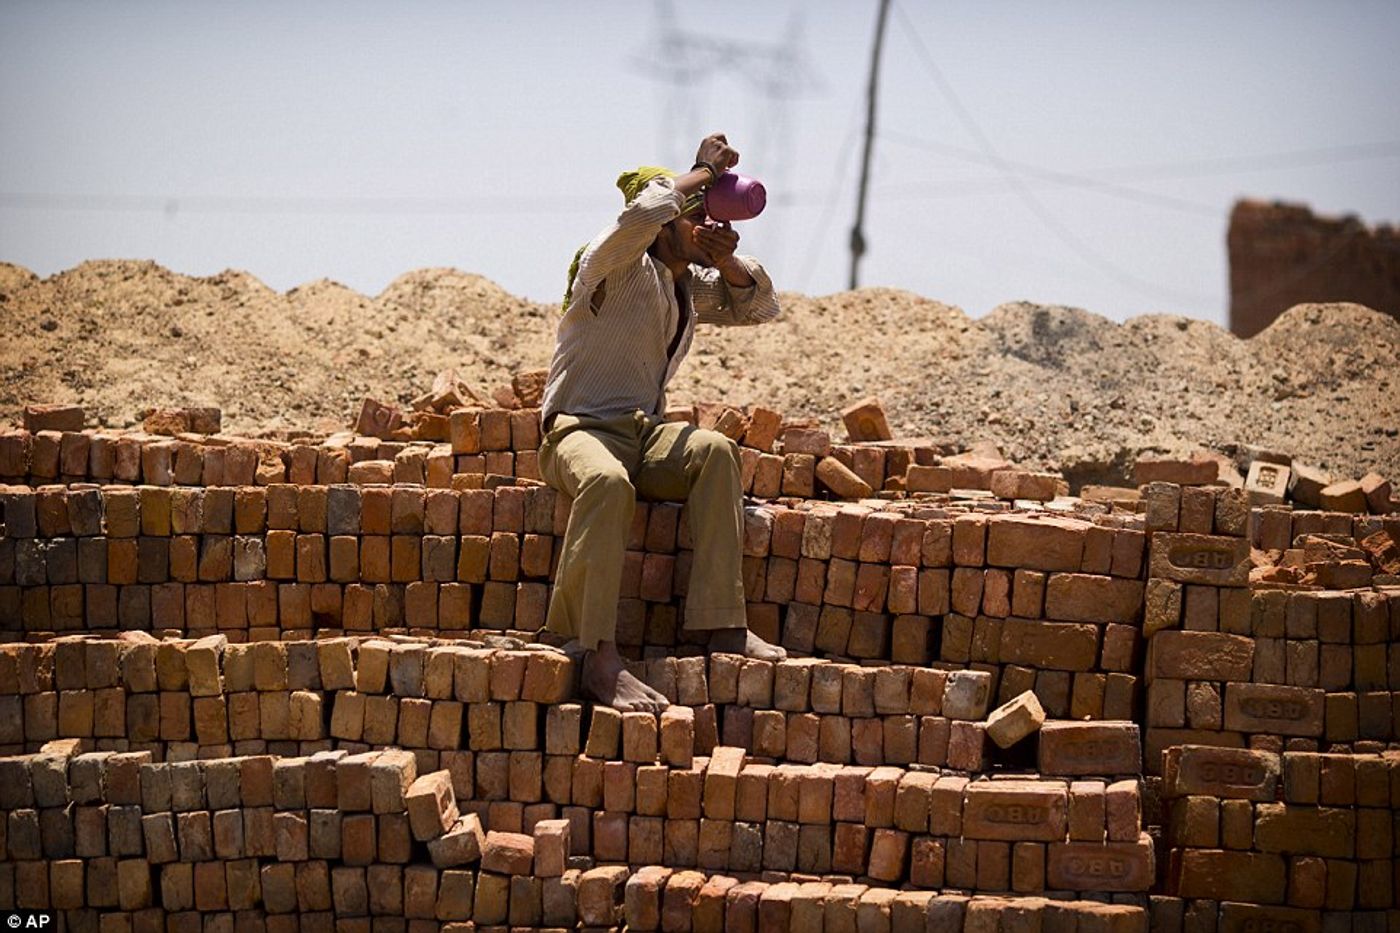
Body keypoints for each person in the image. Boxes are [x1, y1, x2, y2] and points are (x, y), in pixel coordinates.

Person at [538, 133, 787, 712]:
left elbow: (760, 306)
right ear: (666, 222)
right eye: (693, 216)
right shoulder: (612, 265)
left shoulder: (686, 284)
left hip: (643, 433)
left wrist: (724, 258)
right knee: (605, 483)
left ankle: (722, 624)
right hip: (577, 429)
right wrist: (700, 173)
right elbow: (643, 212)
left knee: (715, 452)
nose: (704, 224)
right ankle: (594, 654)